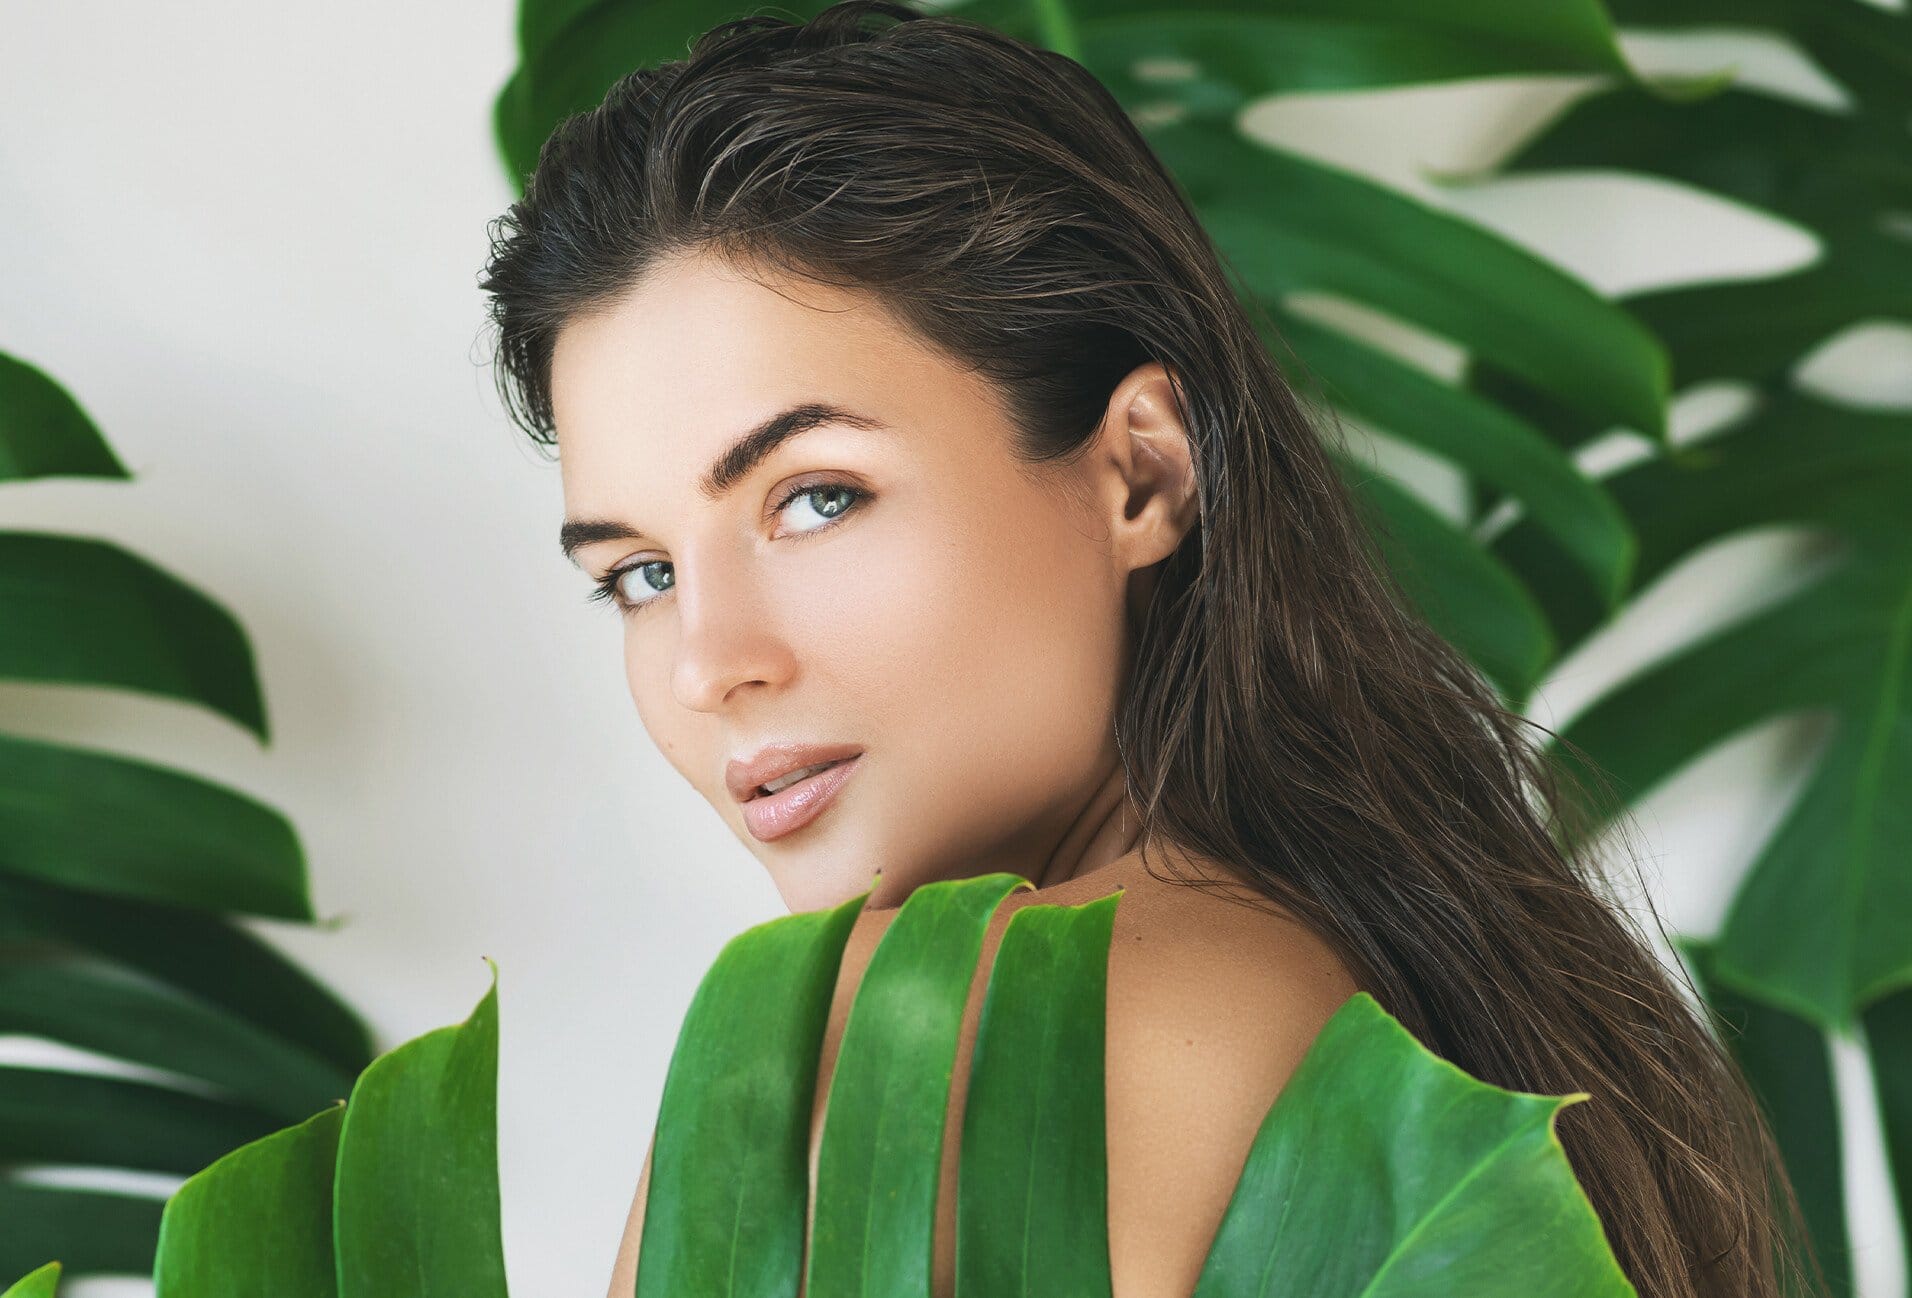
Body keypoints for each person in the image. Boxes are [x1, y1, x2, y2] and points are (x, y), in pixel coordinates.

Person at [477, 3, 1815, 1296]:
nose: (710, 664)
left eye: (817, 498)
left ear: (1142, 471)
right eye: (641, 574)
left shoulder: (918, 1044)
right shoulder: (1469, 1008)